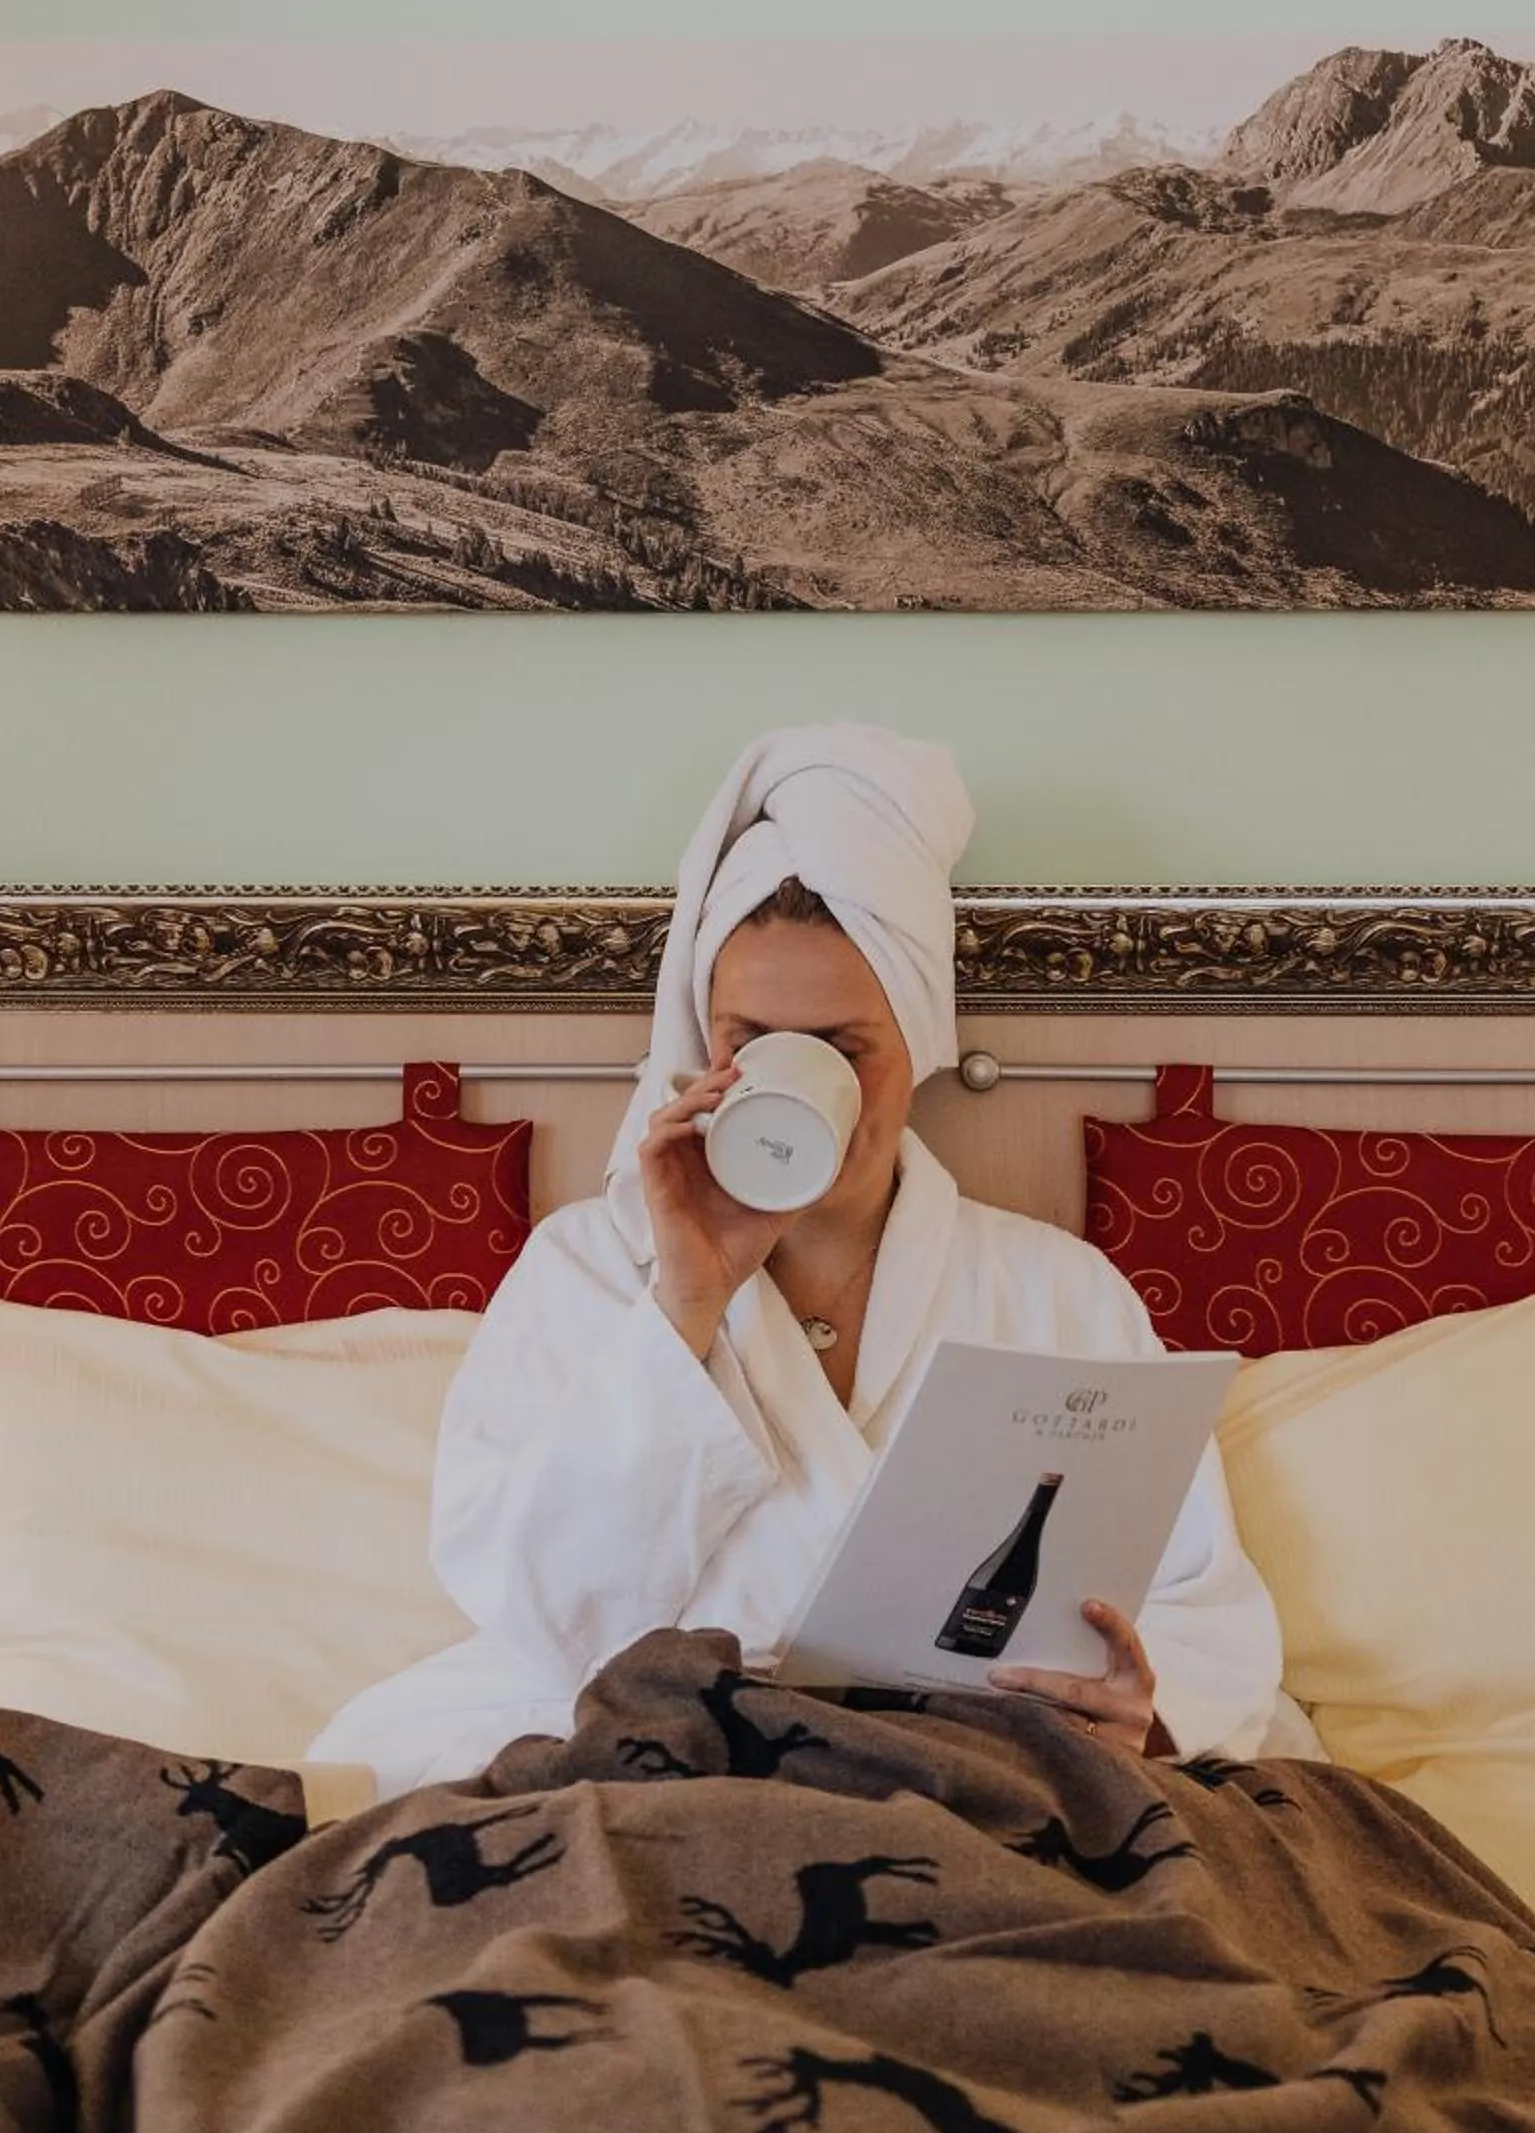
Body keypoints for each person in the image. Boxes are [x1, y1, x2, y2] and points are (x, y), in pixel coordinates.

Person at [309, 722, 1306, 1796]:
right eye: (748, 1045)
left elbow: (1201, 1605)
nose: (787, 1085)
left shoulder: (1055, 1292)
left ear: (916, 1039)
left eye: (838, 1051)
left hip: (976, 1767)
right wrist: (686, 1301)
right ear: (703, 1045)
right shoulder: (588, 1270)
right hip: (657, 1758)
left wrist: (1137, 1712)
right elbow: (547, 1614)